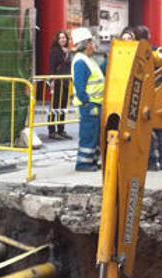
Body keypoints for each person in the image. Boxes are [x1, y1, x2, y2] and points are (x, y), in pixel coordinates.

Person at [70, 27, 105, 172]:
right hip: (89, 105)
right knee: (88, 135)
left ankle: (91, 161)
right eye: (92, 43)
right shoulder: (81, 62)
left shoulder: (88, 60)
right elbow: (80, 86)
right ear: (86, 45)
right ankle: (83, 164)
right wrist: (87, 102)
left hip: (94, 104)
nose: (94, 46)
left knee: (94, 135)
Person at [137, 25, 162, 171]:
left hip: (145, 94)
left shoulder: (138, 53)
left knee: (146, 129)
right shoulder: (157, 52)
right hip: (158, 91)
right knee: (160, 129)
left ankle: (151, 161)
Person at [48, 30, 73, 140]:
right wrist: (52, 81)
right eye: (60, 38)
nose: (63, 40)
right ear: (57, 40)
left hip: (66, 82)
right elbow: (52, 67)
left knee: (63, 106)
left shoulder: (69, 51)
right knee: (55, 106)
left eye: (64, 38)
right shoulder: (55, 51)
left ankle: (61, 129)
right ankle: (52, 130)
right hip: (58, 81)